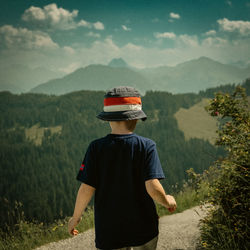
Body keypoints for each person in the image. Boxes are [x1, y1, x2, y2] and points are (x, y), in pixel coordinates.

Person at [68, 86, 177, 250]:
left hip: (110, 233)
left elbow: (86, 188)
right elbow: (153, 187)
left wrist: (75, 218)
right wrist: (167, 200)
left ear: (108, 119)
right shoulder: (146, 146)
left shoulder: (96, 148)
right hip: (143, 231)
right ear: (136, 118)